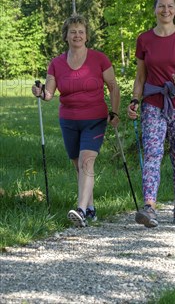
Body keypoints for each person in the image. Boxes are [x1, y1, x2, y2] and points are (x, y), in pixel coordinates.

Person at [32, 14, 120, 227]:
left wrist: (115, 112)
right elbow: (50, 94)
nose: (77, 35)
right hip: (69, 121)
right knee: (78, 166)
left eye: (81, 31)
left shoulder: (100, 59)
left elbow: (113, 86)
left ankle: (79, 209)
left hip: (95, 119)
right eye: (73, 32)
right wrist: (41, 93)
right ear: (66, 36)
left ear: (87, 36)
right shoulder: (56, 63)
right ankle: (90, 209)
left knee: (87, 162)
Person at [127, 0, 175, 228]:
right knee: (152, 154)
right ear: (155, 10)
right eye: (161, 6)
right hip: (153, 104)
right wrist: (135, 101)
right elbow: (140, 77)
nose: (165, 10)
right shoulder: (144, 39)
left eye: (170, 6)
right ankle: (149, 206)